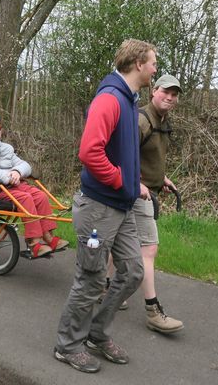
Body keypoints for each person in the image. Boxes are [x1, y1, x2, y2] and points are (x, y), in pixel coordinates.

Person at [54, 39, 157, 373]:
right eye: (153, 63)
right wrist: (120, 181)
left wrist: (134, 184)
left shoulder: (130, 100)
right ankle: (67, 345)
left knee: (132, 271)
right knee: (92, 277)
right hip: (98, 208)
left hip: (122, 206)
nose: (155, 69)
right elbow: (90, 153)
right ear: (139, 63)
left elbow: (121, 152)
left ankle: (96, 334)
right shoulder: (110, 99)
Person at [100, 74, 184, 333]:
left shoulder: (162, 122)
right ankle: (153, 311)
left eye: (174, 94)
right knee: (149, 249)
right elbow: (119, 156)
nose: (169, 97)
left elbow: (147, 157)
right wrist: (137, 184)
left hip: (142, 189)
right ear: (154, 91)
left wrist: (161, 179)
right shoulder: (141, 120)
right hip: (135, 193)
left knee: (118, 242)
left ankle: (106, 287)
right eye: (165, 92)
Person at [0, 116, 69, 256]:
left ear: (1, 133)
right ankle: (34, 244)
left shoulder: (6, 148)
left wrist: (17, 171)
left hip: (10, 186)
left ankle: (48, 237)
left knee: (40, 195)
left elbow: (25, 165)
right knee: (25, 199)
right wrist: (7, 176)